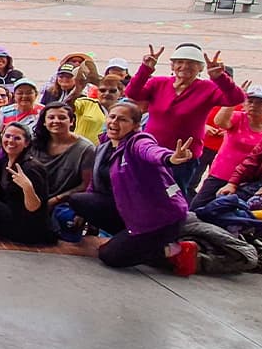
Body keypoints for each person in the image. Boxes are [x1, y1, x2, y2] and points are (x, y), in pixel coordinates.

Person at [67, 102, 198, 274]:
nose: (114, 122)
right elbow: (96, 183)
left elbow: (151, 152)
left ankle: (174, 250)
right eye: (112, 117)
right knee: (79, 200)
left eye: (123, 119)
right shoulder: (105, 145)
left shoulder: (137, 142)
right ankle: (132, 239)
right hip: (131, 210)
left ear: (136, 125)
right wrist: (83, 215)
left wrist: (170, 158)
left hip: (159, 219)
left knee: (109, 256)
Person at [125, 43, 245, 197]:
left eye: (191, 63)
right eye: (180, 62)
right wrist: (145, 69)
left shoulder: (207, 88)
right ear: (172, 65)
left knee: (172, 197)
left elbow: (236, 98)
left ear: (200, 68)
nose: (184, 66)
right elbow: (132, 93)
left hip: (183, 156)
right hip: (151, 151)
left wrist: (220, 77)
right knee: (142, 192)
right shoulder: (158, 83)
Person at [191, 85, 262, 208]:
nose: (254, 105)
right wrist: (234, 98)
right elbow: (220, 122)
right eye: (250, 101)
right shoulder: (238, 118)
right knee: (197, 207)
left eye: (260, 102)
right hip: (221, 174)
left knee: (236, 212)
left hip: (251, 179)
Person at [29, 102, 95, 214]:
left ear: (71, 121)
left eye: (62, 117)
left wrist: (56, 200)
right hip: (32, 198)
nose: (56, 121)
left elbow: (86, 185)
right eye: (51, 117)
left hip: (64, 204)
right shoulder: (34, 143)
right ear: (44, 122)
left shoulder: (85, 148)